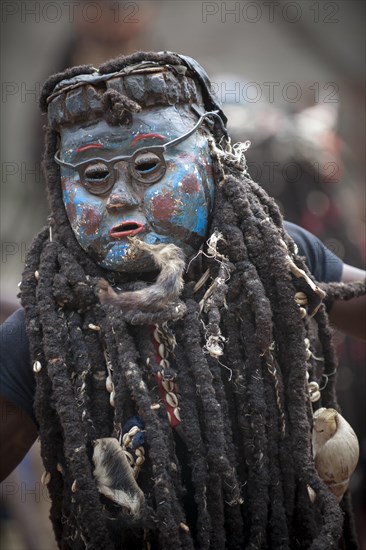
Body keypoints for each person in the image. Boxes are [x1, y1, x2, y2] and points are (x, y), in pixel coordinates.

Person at [0, 51, 365, 549]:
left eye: (149, 165)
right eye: (94, 175)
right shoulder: (47, 331)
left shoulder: (276, 259)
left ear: (214, 161)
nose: (120, 198)